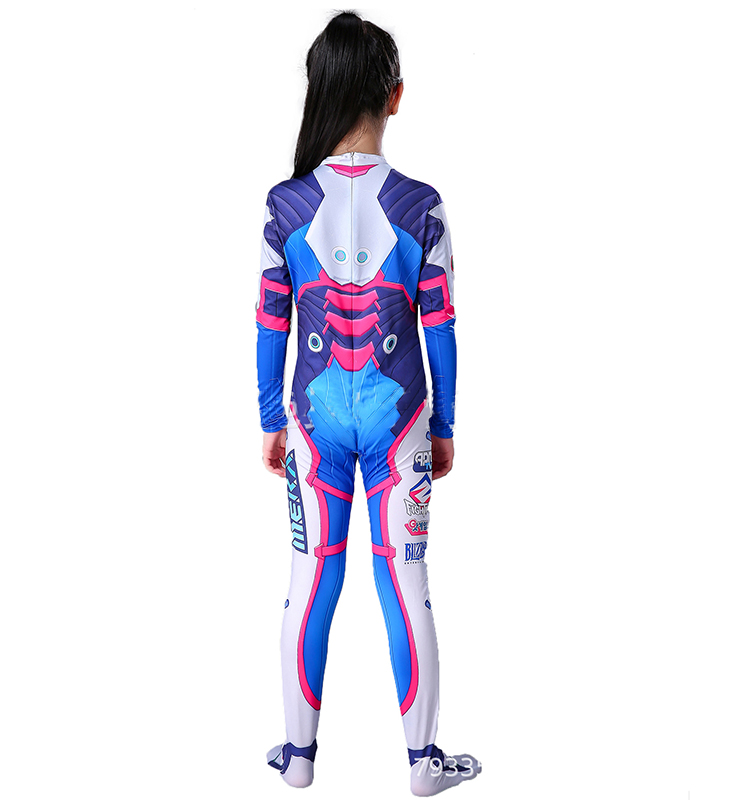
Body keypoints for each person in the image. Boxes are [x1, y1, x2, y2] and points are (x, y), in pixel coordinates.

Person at [255, 11, 480, 796]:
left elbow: (270, 324)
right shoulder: (422, 204)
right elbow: (441, 326)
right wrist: (443, 426)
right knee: (406, 581)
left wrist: (270, 421)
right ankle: (423, 764)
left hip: (313, 422)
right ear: (396, 95)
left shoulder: (285, 205)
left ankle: (298, 758)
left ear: (319, 90)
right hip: (401, 421)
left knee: (310, 578)